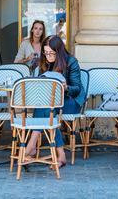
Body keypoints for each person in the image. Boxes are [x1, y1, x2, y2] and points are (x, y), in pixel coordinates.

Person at [23, 35, 83, 168]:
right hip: (51, 103)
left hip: (70, 101)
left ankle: (32, 144)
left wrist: (66, 87)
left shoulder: (71, 62)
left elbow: (77, 89)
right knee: (48, 108)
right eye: (46, 52)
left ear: (59, 51)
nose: (48, 56)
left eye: (51, 53)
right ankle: (60, 155)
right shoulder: (44, 62)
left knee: (46, 108)